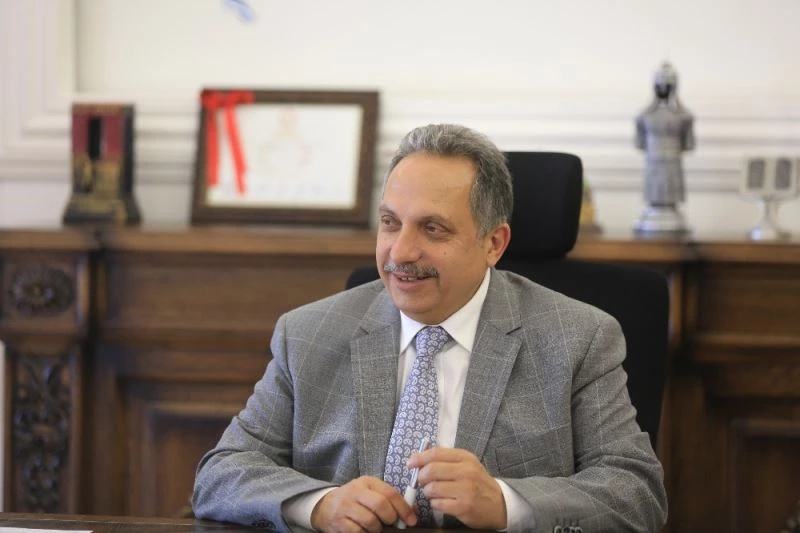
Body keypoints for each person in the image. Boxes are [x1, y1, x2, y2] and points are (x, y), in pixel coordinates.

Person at [192, 124, 668, 532]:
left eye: (433, 229)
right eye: (390, 223)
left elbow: (636, 492)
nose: (400, 252)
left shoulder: (578, 338)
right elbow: (222, 473)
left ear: (494, 243)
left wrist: (506, 503)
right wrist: (319, 505)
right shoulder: (307, 333)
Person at [635, 61, 695, 209]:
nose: (663, 89)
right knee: (654, 190)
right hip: (654, 163)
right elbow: (640, 143)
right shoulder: (645, 116)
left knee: (671, 190)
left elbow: (689, 144)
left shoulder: (683, 116)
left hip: (672, 163)